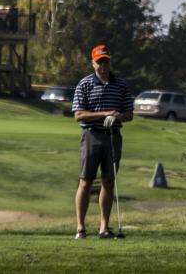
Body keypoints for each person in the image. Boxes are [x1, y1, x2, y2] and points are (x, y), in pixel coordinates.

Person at [72, 45, 133, 240]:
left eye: (105, 61)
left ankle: (103, 228)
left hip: (113, 136)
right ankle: (80, 228)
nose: (103, 65)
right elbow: (78, 114)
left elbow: (129, 114)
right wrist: (105, 113)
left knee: (108, 181)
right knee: (85, 181)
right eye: (99, 62)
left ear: (110, 61)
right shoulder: (85, 84)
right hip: (91, 136)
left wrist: (118, 117)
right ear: (93, 63)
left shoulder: (121, 85)